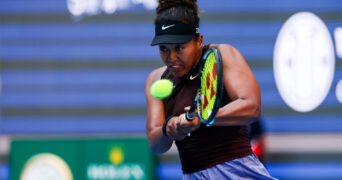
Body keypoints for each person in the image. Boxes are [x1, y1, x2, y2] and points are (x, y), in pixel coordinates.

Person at [145, 0, 277, 179]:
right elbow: (156, 143)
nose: (171, 58)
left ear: (199, 41)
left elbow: (252, 107)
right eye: (163, 49)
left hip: (237, 172)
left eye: (179, 47)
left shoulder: (223, 55)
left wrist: (203, 117)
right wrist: (169, 128)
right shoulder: (155, 79)